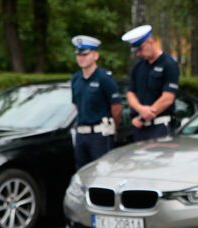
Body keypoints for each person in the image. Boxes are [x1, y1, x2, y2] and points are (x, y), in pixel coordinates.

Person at [70, 35, 122, 170]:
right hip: (81, 134)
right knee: (82, 172)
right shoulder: (75, 79)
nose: (81, 58)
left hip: (100, 134)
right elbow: (77, 105)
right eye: (79, 55)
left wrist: (113, 127)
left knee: (102, 172)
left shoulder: (105, 78)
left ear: (95, 55)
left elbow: (116, 108)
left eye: (85, 54)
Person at [121, 25, 180, 141]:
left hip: (160, 126)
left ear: (150, 41)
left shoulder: (168, 64)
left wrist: (143, 116)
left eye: (140, 49)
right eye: (136, 51)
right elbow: (130, 93)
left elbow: (168, 98)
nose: (138, 54)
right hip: (140, 127)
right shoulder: (138, 66)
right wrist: (140, 110)